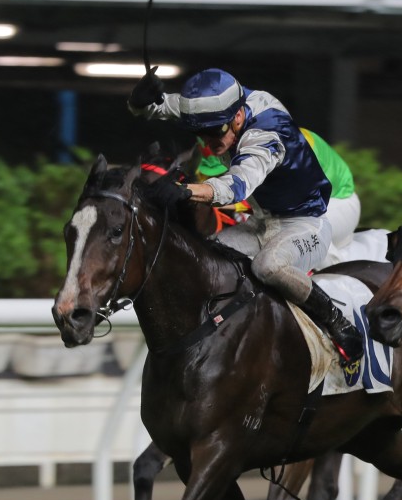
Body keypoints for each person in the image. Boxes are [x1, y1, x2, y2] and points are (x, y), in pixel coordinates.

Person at [127, 67, 363, 368]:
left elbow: (235, 186)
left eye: (215, 132)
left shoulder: (266, 134)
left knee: (269, 267)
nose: (210, 142)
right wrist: (140, 102)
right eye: (201, 133)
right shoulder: (226, 106)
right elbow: (167, 107)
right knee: (208, 258)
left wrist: (186, 191)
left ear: (238, 117)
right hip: (261, 221)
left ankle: (337, 322)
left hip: (306, 225)